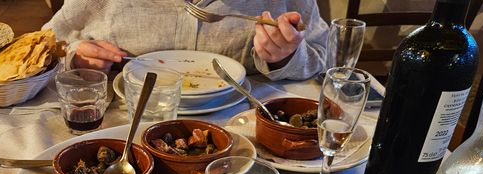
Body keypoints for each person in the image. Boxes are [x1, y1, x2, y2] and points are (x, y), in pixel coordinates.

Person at [43, 0, 328, 81]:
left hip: (246, 132)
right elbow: (44, 44)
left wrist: (288, 55)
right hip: (123, 126)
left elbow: (326, 55)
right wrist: (74, 56)